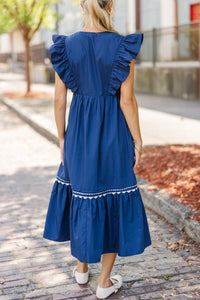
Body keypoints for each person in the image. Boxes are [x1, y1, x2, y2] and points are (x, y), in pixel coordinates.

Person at [43, 0, 152, 298]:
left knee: (83, 193)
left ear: (82, 5)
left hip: (78, 131)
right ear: (111, 5)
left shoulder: (66, 46)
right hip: (114, 135)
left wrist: (62, 137)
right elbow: (127, 101)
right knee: (111, 199)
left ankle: (81, 269)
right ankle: (103, 281)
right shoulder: (122, 46)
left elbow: (58, 100)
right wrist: (138, 139)